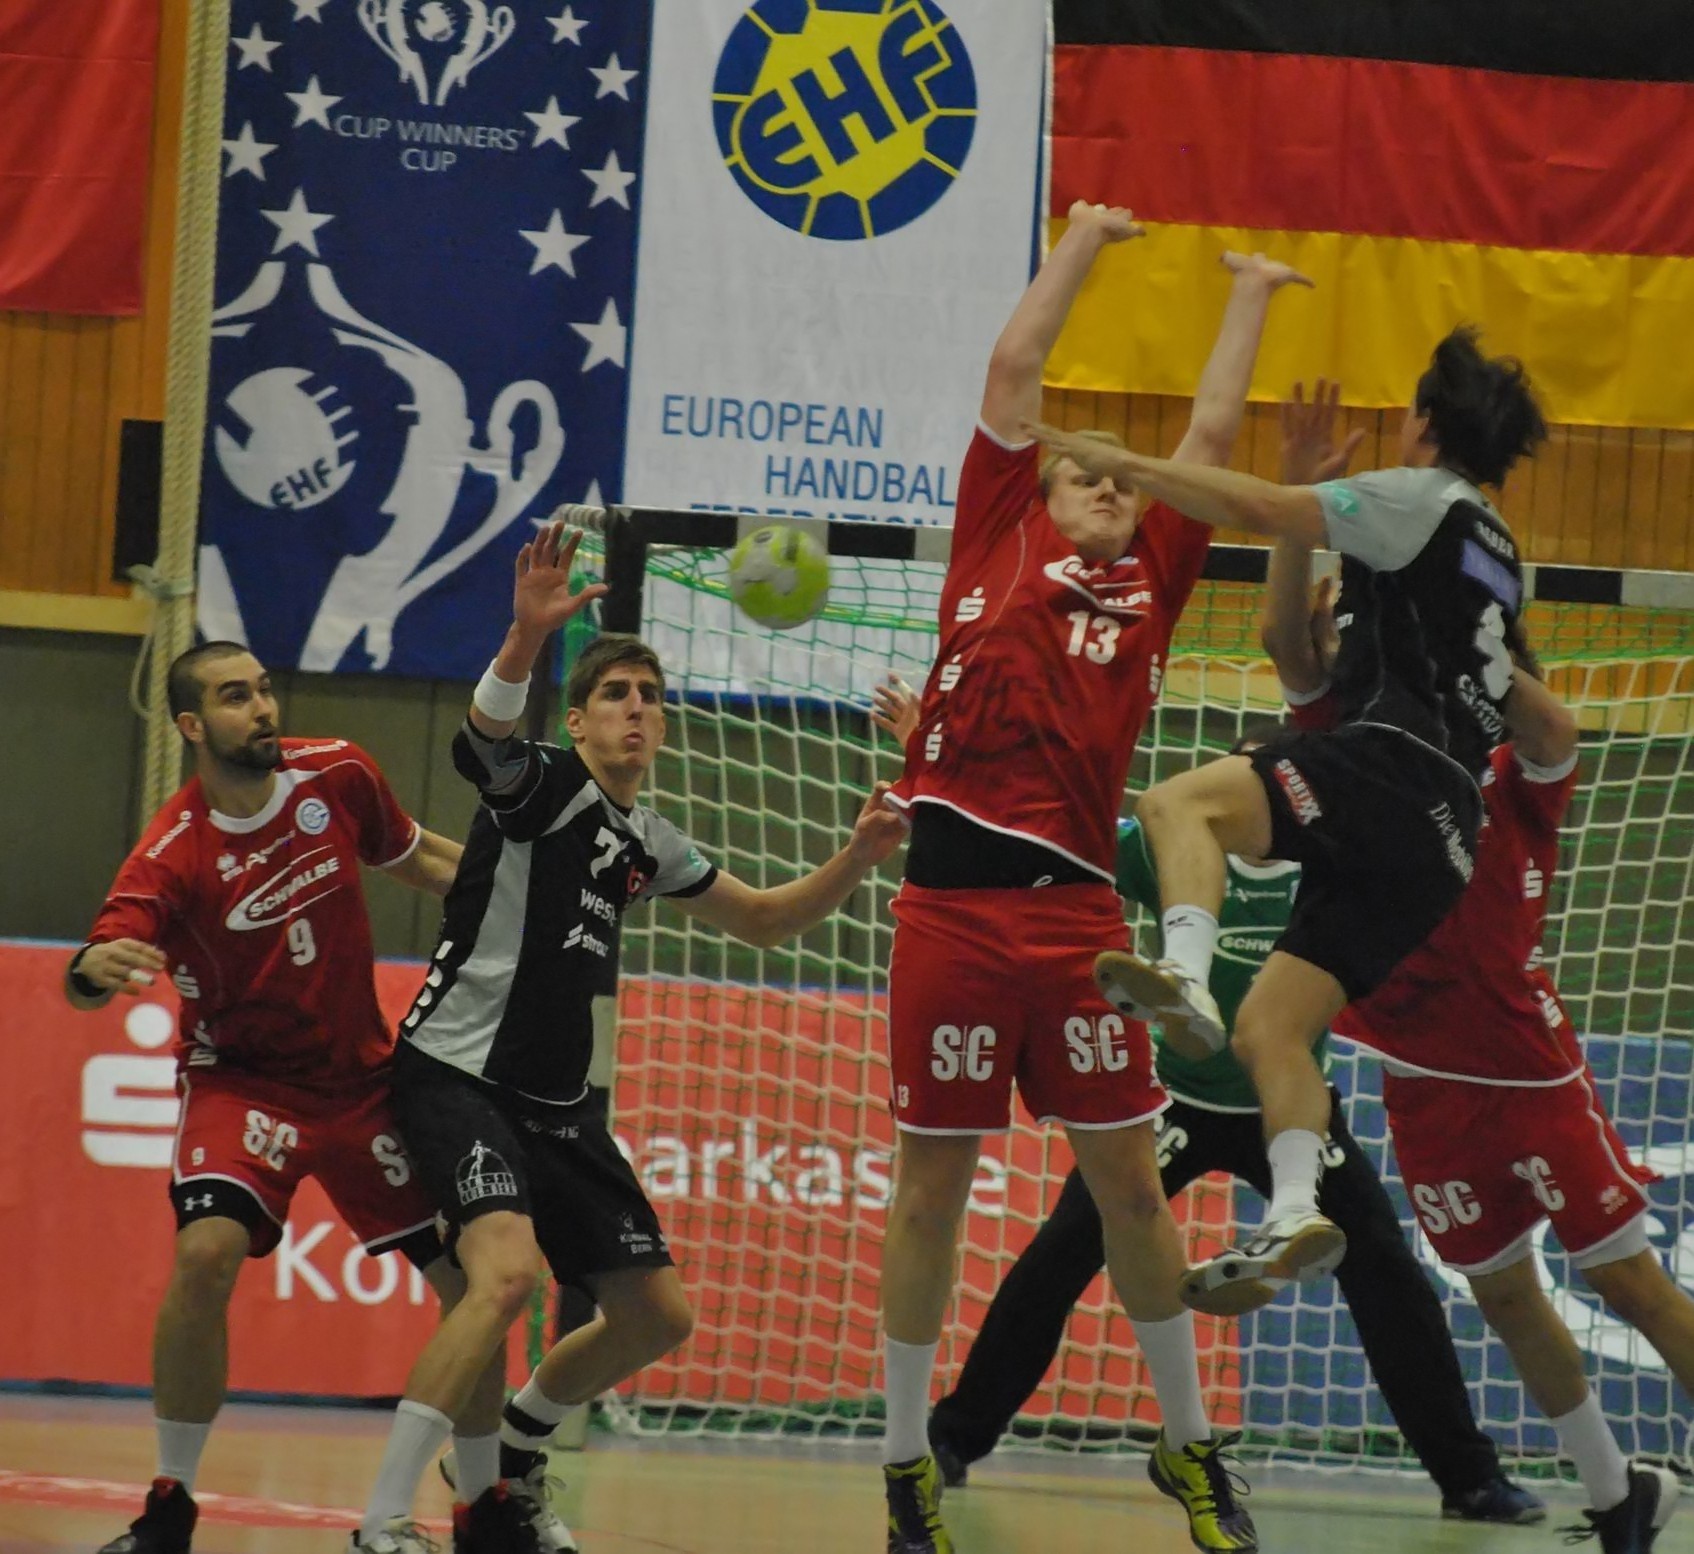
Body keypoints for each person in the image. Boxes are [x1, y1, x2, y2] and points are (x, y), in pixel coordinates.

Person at [876, 200, 1314, 1554]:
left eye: (1119, 480)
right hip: (948, 909)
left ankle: (1186, 1448)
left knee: (1130, 1187)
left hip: (1075, 916)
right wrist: (1080, 239)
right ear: (1036, 489)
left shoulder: (1150, 578)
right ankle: (904, 1462)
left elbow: (1207, 442)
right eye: (1083, 474)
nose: (1108, 487)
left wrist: (1248, 291)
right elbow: (1014, 372)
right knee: (930, 1192)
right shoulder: (994, 530)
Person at [350, 522, 908, 1554]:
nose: (637, 709)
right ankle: (382, 1520)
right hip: (460, 1077)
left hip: (558, 1109)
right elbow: (481, 742)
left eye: (650, 696)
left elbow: (764, 919)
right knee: (504, 1279)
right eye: (615, 694)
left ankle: (513, 1455)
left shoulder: (647, 841)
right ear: (578, 720)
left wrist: (859, 856)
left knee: (657, 1316)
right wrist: (525, 637)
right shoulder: (545, 787)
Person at [870, 680, 1540, 1522]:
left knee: (1384, 1267)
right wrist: (930, 753)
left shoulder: (1336, 860)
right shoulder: (1177, 849)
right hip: (1178, 1103)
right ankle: (954, 1436)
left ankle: (1469, 1475)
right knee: (1062, 1253)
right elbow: (1052, 841)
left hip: (1286, 1110)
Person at [1029, 327, 1549, 1316]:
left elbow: (1252, 505)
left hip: (1388, 769)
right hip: (1446, 835)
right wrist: (1310, 507)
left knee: (1175, 805)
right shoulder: (1495, 551)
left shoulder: (1418, 498)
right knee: (1272, 1027)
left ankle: (1184, 973)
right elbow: (1292, 647)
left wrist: (1128, 464)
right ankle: (1296, 1208)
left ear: (1424, 423)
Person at [1247, 391, 1689, 1551]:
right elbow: (1285, 646)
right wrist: (1300, 502)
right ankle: (1618, 1496)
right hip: (1416, 1069)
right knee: (1499, 1293)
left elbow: (1556, 732)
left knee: (1627, 1283)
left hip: (1519, 1064)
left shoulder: (1502, 757)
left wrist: (1459, 634)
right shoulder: (1360, 742)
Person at [66, 641, 504, 1554]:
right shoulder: (174, 850)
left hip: (359, 1082)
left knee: (477, 1285)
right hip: (243, 1085)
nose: (262, 708)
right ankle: (169, 1504)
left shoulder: (337, 773)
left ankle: (483, 1500)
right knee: (205, 1255)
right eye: (236, 697)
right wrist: (90, 968)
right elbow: (99, 959)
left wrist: (525, 894)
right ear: (193, 726)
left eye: (264, 690)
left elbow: (418, 856)